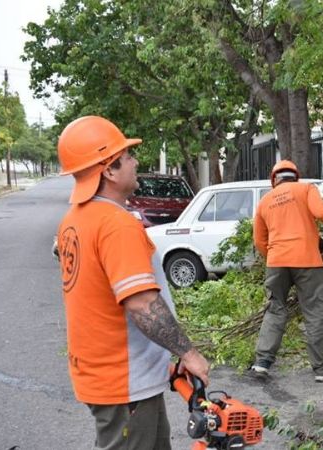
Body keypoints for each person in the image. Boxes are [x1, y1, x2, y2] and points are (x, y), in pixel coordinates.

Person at [55, 115, 210, 450]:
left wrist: (160, 358)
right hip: (123, 383)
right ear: (109, 170)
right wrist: (188, 353)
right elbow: (141, 304)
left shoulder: (75, 220)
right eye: (127, 157)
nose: (136, 161)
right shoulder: (115, 224)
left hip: (110, 374)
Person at [250, 160, 323, 382]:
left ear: (274, 180)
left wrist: (274, 258)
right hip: (306, 260)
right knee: (315, 312)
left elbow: (259, 240)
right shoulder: (306, 189)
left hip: (276, 263)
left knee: (275, 309)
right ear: (296, 176)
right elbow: (321, 212)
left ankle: (262, 362)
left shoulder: (265, 201)